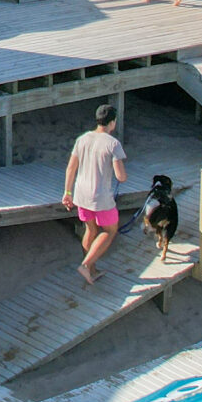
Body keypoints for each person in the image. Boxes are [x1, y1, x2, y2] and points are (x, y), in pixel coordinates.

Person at [62, 104, 128, 287]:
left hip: (81, 194)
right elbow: (121, 176)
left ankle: (91, 269)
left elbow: (71, 168)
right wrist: (123, 173)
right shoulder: (113, 144)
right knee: (109, 231)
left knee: (90, 230)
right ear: (112, 122)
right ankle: (86, 265)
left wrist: (67, 193)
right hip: (100, 198)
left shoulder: (82, 139)